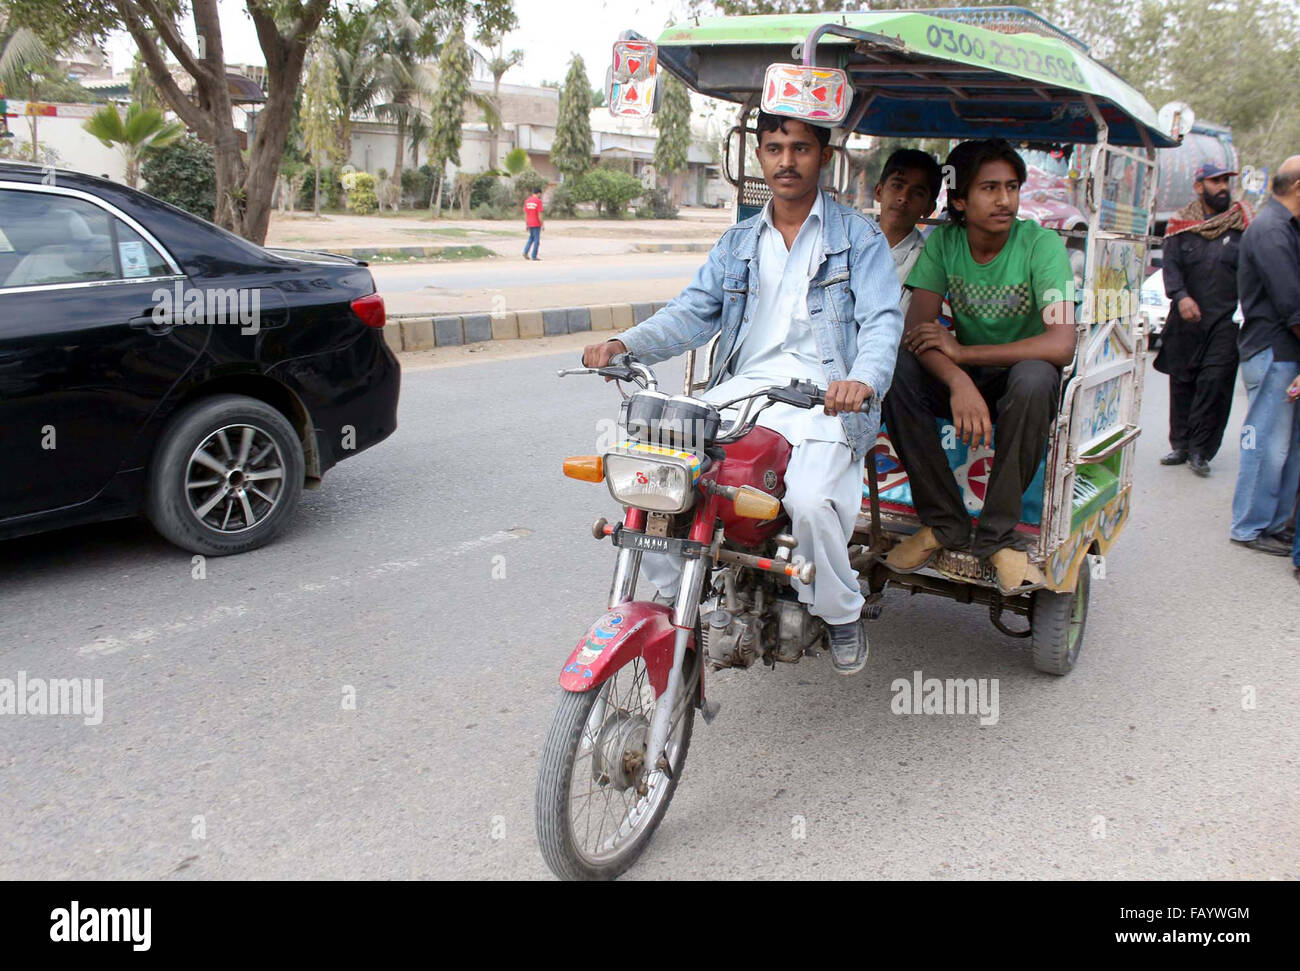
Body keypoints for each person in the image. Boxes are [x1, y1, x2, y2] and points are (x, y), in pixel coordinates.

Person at [581, 111, 903, 675]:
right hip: (742, 391)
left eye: (800, 148)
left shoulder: (859, 238)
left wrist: (864, 381)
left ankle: (840, 608)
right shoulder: (739, 241)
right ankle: (683, 590)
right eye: (775, 148)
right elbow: (691, 312)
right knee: (658, 473)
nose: (786, 160)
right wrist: (624, 343)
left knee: (808, 502)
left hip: (826, 397)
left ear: (823, 157)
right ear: (759, 156)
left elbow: (881, 322)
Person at [881, 139, 1076, 595]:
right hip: (967, 373)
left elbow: (1060, 343)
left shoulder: (1042, 245)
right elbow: (918, 331)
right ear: (961, 200)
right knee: (896, 368)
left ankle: (998, 537)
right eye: (990, 188)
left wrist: (965, 356)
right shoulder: (946, 243)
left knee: (1033, 377)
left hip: (1022, 376)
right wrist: (957, 380)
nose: (1005, 199)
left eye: (1011, 187)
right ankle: (944, 522)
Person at [1154, 162, 1252, 477]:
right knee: (1182, 381)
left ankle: (1201, 449)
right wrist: (1180, 296)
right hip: (1186, 320)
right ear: (1200, 187)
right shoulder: (1180, 226)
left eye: (1226, 181)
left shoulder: (1244, 225)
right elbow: (1171, 267)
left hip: (1226, 322)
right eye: (1216, 181)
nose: (1223, 186)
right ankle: (1180, 444)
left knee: (1214, 383)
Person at [1229, 156, 1300, 557]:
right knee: (1267, 445)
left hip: (1284, 352)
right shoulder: (1272, 230)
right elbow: (1293, 304)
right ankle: (1250, 525)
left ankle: (1272, 524)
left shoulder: (1286, 228)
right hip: (1273, 350)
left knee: (1285, 447)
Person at [873, 148, 942, 314]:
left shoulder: (925, 263)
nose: (904, 197)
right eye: (897, 186)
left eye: (917, 193)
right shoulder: (847, 240)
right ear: (879, 192)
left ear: (929, 208)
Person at [523, 189, 543, 260]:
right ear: (538, 193)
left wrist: (526, 224)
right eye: (540, 194)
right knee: (536, 240)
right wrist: (542, 224)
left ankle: (525, 251)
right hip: (536, 223)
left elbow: (526, 214)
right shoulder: (538, 201)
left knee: (531, 238)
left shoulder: (527, 201)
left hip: (529, 222)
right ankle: (534, 255)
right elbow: (539, 213)